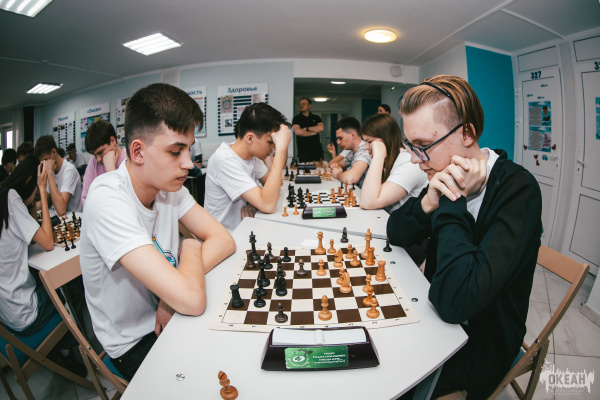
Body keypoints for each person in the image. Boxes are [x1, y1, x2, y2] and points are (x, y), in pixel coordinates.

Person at [387, 75, 542, 399]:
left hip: (481, 343)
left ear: (467, 133)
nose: (415, 159)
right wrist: (428, 203)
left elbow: (455, 303)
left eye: (422, 146)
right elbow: (395, 233)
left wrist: (452, 201)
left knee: (391, 382)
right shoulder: (441, 176)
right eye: (410, 147)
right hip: (433, 317)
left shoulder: (518, 191)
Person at [80, 83, 235, 381]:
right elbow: (191, 299)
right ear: (137, 151)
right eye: (176, 151)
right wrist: (190, 247)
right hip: (133, 341)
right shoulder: (107, 199)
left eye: (188, 149)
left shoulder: (168, 188)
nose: (188, 163)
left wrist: (170, 296)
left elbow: (223, 240)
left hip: (168, 312)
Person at [204, 102, 291, 232]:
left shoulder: (252, 156)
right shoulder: (224, 160)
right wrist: (281, 148)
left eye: (275, 143)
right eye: (270, 142)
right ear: (250, 138)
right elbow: (268, 205)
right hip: (227, 236)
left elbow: (275, 186)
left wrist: (255, 203)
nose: (273, 148)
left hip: (246, 228)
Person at [359, 114, 427, 213]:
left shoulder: (409, 162)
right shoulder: (389, 160)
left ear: (385, 139)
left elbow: (368, 202)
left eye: (369, 142)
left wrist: (378, 156)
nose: (366, 147)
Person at [81, 119, 127, 206]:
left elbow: (124, 202)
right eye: (94, 155)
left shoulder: (129, 159)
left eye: (100, 152)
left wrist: (110, 171)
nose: (98, 159)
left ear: (112, 141)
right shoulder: (93, 161)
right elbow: (86, 198)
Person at [34, 135, 83, 214]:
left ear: (54, 152)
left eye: (45, 160)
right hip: (58, 218)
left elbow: (61, 210)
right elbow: (48, 201)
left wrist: (49, 173)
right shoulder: (52, 170)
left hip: (71, 219)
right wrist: (30, 207)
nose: (45, 165)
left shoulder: (69, 170)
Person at [328, 117, 371, 187]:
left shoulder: (364, 151)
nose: (338, 142)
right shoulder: (351, 152)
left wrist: (338, 174)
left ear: (352, 135)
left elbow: (351, 179)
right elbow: (338, 164)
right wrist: (336, 167)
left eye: (340, 138)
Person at [292, 97, 324, 162]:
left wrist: (306, 128)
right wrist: (313, 132)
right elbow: (298, 132)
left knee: (319, 168)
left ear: (309, 106)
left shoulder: (316, 117)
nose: (301, 106)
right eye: (300, 104)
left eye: (303, 104)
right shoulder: (296, 118)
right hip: (303, 152)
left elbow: (321, 128)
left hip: (317, 151)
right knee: (304, 168)